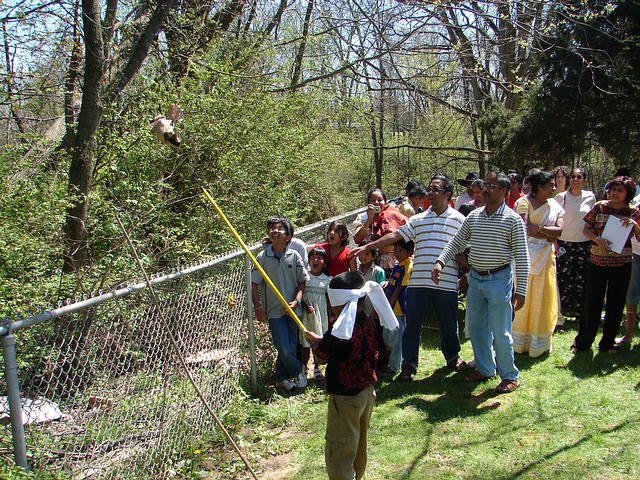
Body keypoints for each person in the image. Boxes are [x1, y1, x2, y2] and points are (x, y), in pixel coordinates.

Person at [350, 174, 468, 380]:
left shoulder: (459, 220)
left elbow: (465, 249)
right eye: (429, 189)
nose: (430, 193)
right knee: (412, 325)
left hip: (447, 281)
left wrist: (465, 273)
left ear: (448, 194)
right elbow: (395, 235)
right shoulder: (417, 219)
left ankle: (452, 357)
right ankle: (409, 364)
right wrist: (368, 246)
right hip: (418, 282)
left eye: (436, 189)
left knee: (448, 323)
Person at [432, 172, 529, 394]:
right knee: (476, 327)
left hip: (499, 280)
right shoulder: (475, 216)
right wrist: (440, 261)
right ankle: (486, 369)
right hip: (475, 278)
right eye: (486, 185)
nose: (485, 189)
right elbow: (456, 241)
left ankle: (509, 376)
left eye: (492, 186)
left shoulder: (513, 220)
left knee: (500, 331)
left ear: (504, 192)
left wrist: (521, 290)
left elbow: (522, 258)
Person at [304, 271, 397, 480]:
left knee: (341, 448)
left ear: (339, 303)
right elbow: (339, 345)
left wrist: (315, 344)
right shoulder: (367, 322)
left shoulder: (339, 332)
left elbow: (322, 356)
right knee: (358, 444)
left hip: (345, 400)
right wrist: (321, 339)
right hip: (367, 393)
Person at [572, 176, 640, 354]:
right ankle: (582, 343)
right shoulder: (599, 206)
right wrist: (597, 239)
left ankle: (608, 343)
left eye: (620, 190)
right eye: (613, 189)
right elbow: (586, 229)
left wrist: (635, 225)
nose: (615, 193)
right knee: (593, 302)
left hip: (622, 264)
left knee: (616, 304)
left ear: (627, 194)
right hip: (597, 262)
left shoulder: (633, 212)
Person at [252, 216, 309, 391]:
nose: (275, 231)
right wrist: (258, 307)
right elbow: (254, 284)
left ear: (288, 236)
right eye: (272, 228)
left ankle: (281, 378)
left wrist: (297, 301)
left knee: (291, 345)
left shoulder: (294, 256)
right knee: (283, 346)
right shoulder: (262, 257)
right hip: (274, 311)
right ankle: (298, 370)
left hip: (293, 310)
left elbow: (302, 282)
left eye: (280, 228)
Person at [512, 170, 564, 357]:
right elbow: (524, 229)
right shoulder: (523, 202)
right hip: (523, 257)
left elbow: (559, 231)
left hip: (546, 258)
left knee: (543, 296)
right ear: (539, 187)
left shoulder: (555, 206)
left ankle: (538, 343)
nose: (554, 188)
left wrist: (541, 229)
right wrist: (547, 234)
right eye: (550, 185)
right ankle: (519, 343)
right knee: (522, 296)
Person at [554, 167, 596, 321]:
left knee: (582, 279)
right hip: (564, 243)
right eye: (573, 177)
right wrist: (555, 242)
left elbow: (593, 220)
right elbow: (553, 220)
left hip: (583, 244)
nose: (575, 180)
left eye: (579, 177)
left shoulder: (590, 197)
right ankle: (562, 312)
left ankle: (580, 313)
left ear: (584, 180)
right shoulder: (560, 197)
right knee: (563, 278)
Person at [354, 188, 408, 274]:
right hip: (370, 264)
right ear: (368, 203)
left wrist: (388, 247)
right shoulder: (362, 218)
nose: (376, 203)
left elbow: (401, 237)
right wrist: (369, 220)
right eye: (373, 200)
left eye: (380, 200)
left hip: (393, 262)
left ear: (385, 202)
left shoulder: (392, 215)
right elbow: (357, 239)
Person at [381, 239, 414, 376]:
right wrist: (387, 283)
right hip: (391, 307)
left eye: (400, 251)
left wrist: (391, 303)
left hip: (398, 308)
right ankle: (393, 362)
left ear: (409, 252)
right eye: (395, 250)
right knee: (388, 336)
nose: (397, 253)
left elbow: (401, 287)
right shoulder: (398, 264)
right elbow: (394, 282)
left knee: (396, 338)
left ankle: (395, 367)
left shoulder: (408, 265)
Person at [300, 247, 332, 381]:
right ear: (309, 261)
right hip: (306, 315)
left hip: (320, 315)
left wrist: (331, 315)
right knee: (305, 342)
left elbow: (329, 300)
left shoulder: (327, 280)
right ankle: (304, 368)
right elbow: (299, 294)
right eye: (313, 258)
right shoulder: (304, 277)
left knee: (318, 341)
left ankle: (317, 368)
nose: (316, 260)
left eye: (319, 258)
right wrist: (304, 305)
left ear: (324, 263)